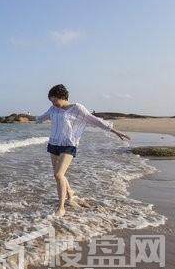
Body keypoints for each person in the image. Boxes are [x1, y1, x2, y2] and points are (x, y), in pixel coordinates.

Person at [35, 84, 131, 217]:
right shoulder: (53, 109)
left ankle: (61, 208)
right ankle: (70, 196)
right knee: (60, 175)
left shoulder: (77, 108)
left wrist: (115, 131)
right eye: (51, 101)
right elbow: (41, 117)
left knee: (58, 175)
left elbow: (95, 120)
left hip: (69, 145)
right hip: (53, 144)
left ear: (63, 97)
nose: (53, 103)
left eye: (55, 100)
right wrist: (32, 118)